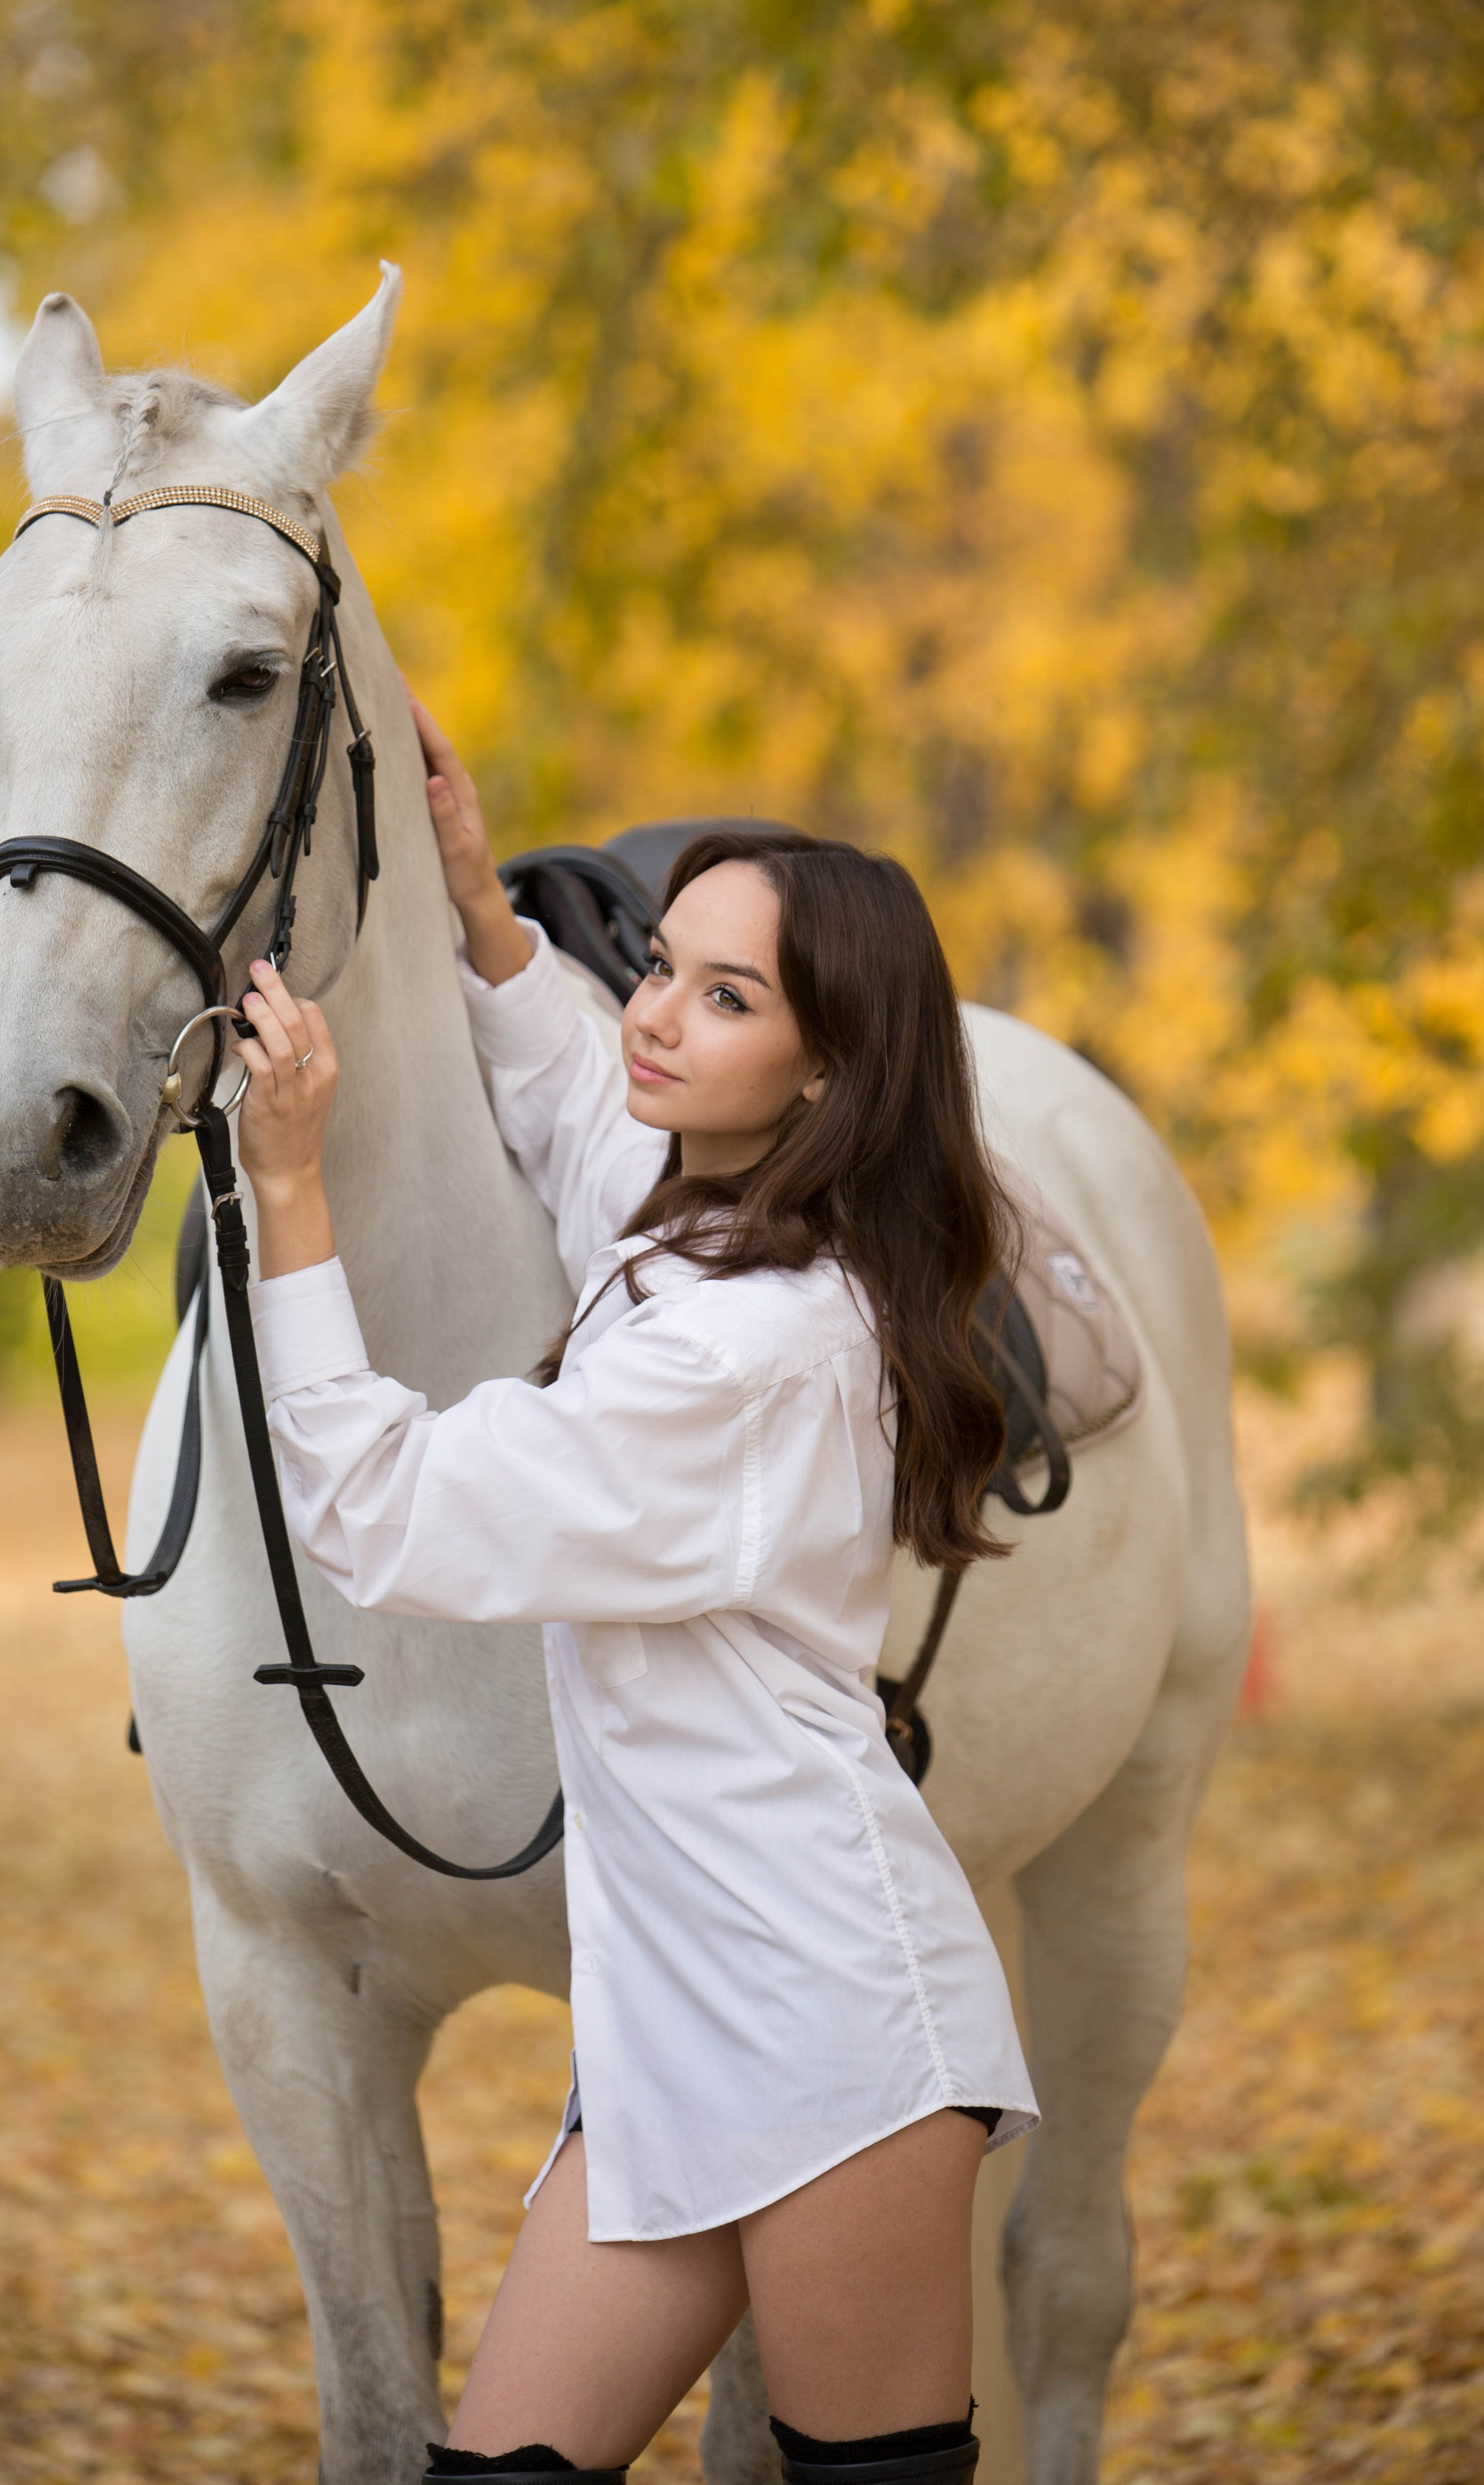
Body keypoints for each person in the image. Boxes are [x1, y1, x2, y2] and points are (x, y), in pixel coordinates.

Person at [231, 699, 1038, 2485]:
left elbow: (381, 1505)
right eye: (665, 968)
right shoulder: (713, 1228)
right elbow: (585, 1124)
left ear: (829, 1069)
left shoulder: (752, 1351)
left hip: (835, 2029)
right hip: (667, 2020)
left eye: (727, 999)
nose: (658, 1017)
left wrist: (290, 1187)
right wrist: (491, 920)